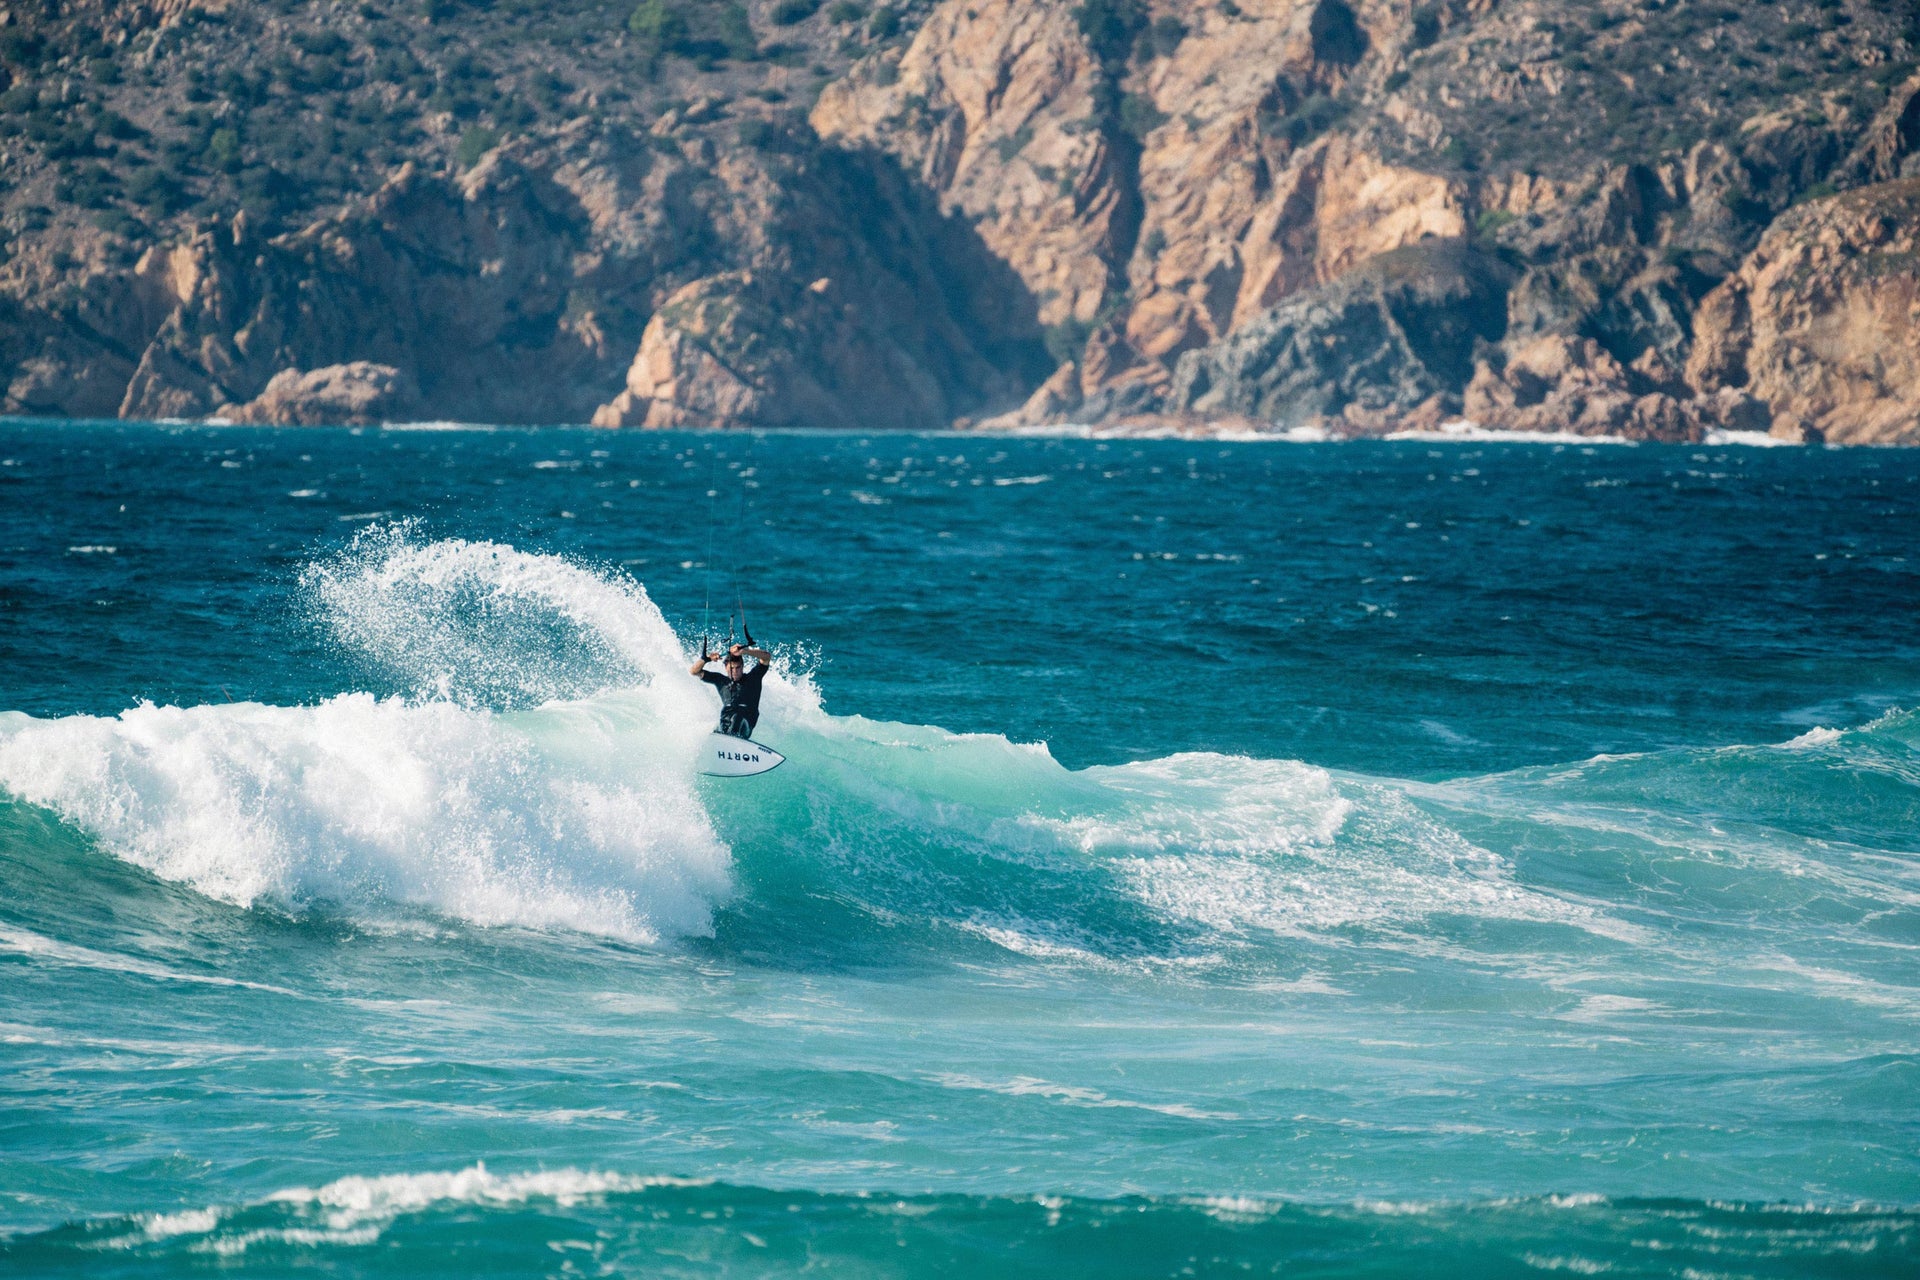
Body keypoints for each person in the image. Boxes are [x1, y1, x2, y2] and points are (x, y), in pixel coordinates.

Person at [691, 641, 773, 740]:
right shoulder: (720, 680)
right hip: (726, 720)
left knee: (737, 717)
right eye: (731, 668)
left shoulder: (753, 678)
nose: (735, 671)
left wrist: (745, 651)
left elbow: (766, 657)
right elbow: (694, 671)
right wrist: (706, 659)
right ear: (726, 667)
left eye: (738, 667)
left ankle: (730, 740)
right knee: (713, 726)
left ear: (742, 666)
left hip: (745, 722)